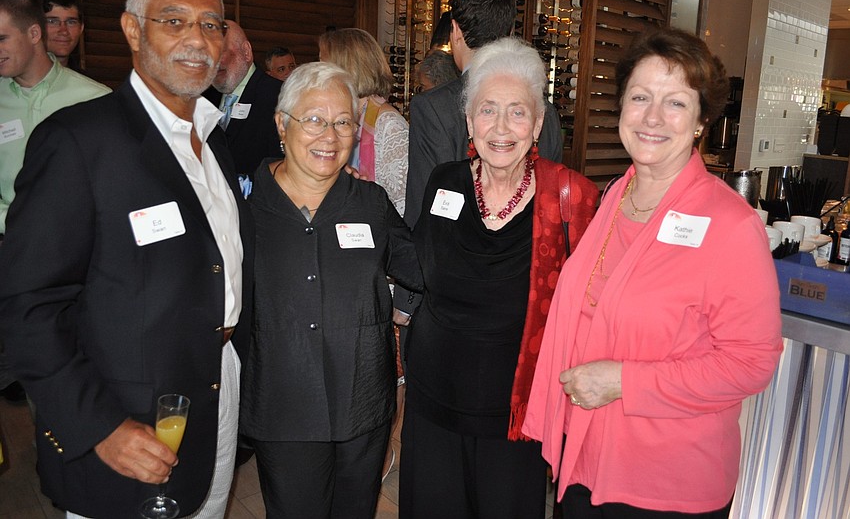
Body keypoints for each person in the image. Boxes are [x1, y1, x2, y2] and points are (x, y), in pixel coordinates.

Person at [0, 0, 253, 517]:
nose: (197, 39)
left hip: (218, 382)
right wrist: (99, 426)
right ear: (133, 30)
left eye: (211, 24)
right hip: (125, 412)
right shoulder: (78, 142)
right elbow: (27, 305)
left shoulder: (214, 141)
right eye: (174, 20)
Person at [523, 27, 784, 517]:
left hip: (665, 481)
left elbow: (751, 364)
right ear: (621, 106)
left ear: (702, 120)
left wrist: (626, 381)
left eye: (676, 103)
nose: (653, 117)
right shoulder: (615, 197)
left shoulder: (730, 225)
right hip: (585, 458)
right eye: (640, 97)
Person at [398, 37, 598, 519]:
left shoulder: (571, 197)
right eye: (487, 110)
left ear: (538, 124)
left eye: (517, 112)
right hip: (433, 401)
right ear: (469, 122)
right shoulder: (444, 182)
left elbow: (593, 310)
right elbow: (420, 263)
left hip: (516, 414)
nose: (502, 127)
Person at [240, 61, 423, 518]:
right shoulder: (245, 208)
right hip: (282, 406)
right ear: (281, 124)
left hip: (362, 405)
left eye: (343, 122)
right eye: (315, 119)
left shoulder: (370, 203)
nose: (330, 135)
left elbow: (423, 268)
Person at [0, 0, 109, 408]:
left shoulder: (93, 99)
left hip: (68, 264)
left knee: (58, 379)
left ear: (33, 34)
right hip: (5, 250)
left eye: (1, 38)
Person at [403, 0, 564, 229]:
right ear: (510, 33)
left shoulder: (432, 107)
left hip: (454, 247)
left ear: (455, 31)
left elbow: (421, 211)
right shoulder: (544, 110)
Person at [319, 27, 409, 215]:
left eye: (322, 63)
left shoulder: (389, 124)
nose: (317, 73)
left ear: (346, 69)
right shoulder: (339, 115)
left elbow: (401, 204)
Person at [204, 19, 283, 181]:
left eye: (220, 52)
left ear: (246, 52)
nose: (213, 63)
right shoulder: (202, 100)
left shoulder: (278, 97)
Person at [34, 0, 85, 71]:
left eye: (71, 22)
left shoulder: (85, 80)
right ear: (33, 29)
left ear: (81, 28)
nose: (64, 31)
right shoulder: (10, 76)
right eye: (52, 21)